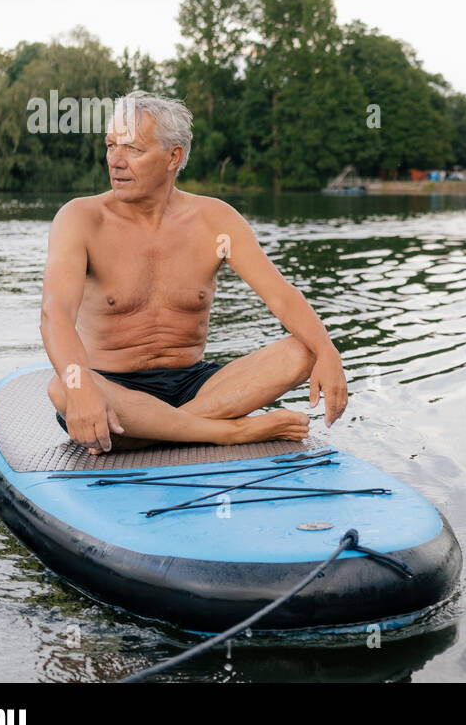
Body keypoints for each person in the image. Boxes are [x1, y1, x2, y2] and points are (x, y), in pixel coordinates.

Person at [40, 90, 347, 454]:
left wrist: (329, 353)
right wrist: (81, 391)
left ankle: (154, 432)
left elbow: (280, 296)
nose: (115, 162)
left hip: (196, 385)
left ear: (174, 157)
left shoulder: (215, 220)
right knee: (64, 387)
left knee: (305, 349)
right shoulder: (79, 219)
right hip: (112, 385)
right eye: (110, 146)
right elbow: (54, 313)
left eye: (133, 150)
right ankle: (228, 432)